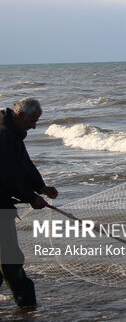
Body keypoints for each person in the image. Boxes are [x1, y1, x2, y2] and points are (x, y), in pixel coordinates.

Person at [0, 98, 58, 308]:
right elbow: (7, 175)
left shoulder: (11, 132)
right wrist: (31, 197)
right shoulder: (4, 134)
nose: (34, 126)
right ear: (20, 115)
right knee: (10, 259)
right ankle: (27, 309)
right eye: (32, 121)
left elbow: (23, 164)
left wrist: (41, 187)